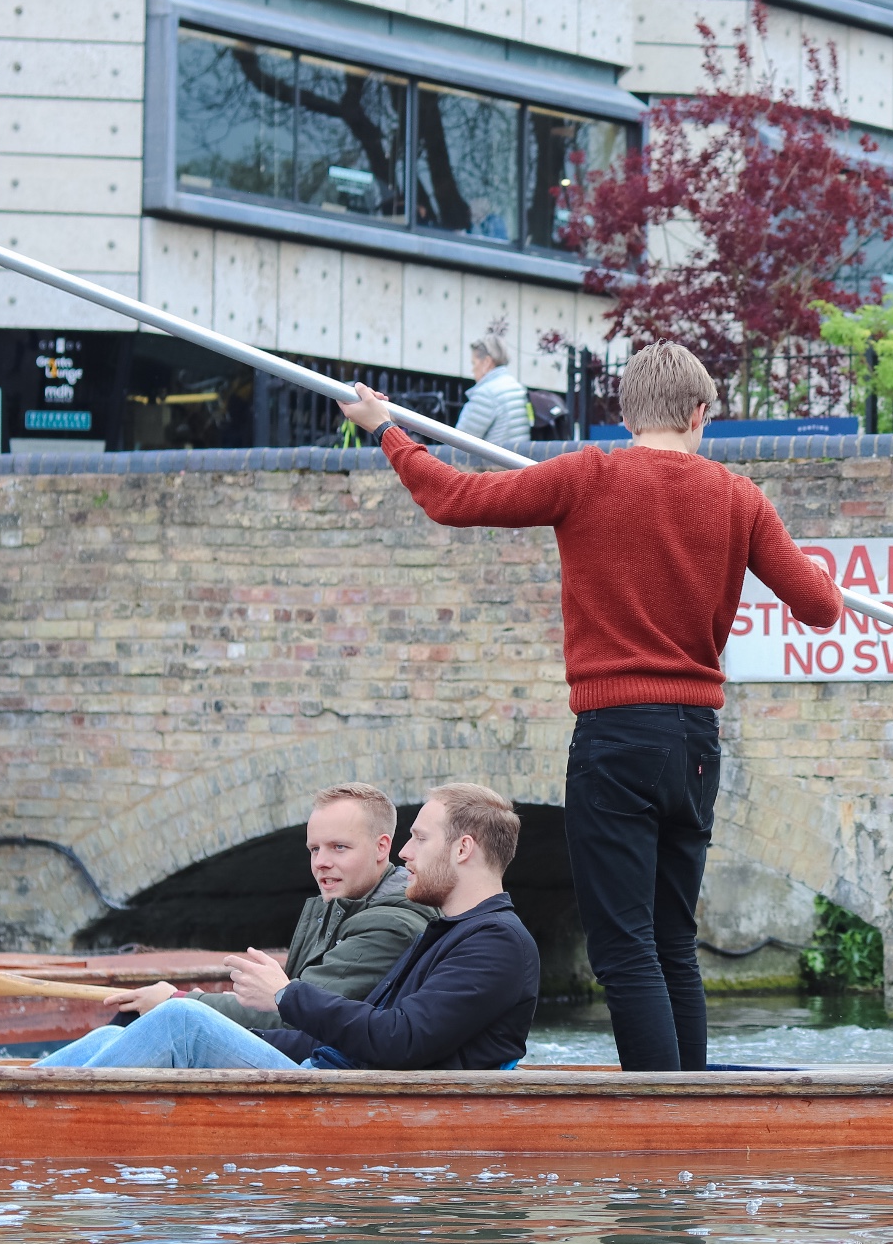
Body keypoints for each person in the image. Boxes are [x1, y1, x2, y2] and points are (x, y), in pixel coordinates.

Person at [336, 341, 842, 1072]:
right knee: (673, 939)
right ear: (699, 413)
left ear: (624, 414)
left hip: (616, 737)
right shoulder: (740, 496)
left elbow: (452, 498)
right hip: (695, 744)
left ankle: (663, 1126)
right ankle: (691, 1106)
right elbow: (821, 606)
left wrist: (386, 428)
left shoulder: (588, 475)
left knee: (625, 946)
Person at [35, 783, 540, 1070]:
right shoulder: (452, 930)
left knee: (180, 1022)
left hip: (361, 1108)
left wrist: (285, 995)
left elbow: (400, 1039)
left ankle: (32, 1106)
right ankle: (33, 1085)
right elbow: (354, 1033)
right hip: (342, 1081)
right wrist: (242, 1024)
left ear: (463, 849)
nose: (405, 854)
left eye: (419, 839)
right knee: (174, 1022)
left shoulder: (497, 942)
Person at [102, 782, 436, 1028]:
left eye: (338, 847)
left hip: (320, 1074)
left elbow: (295, 1014)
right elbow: (285, 1001)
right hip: (300, 1053)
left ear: (381, 848)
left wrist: (179, 1001)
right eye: (314, 849)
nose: (320, 862)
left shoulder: (391, 924)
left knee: (163, 1022)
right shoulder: (337, 907)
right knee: (132, 1018)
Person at [456, 332, 532, 445]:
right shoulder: (517, 387)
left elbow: (458, 443)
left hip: (492, 462)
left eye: (474, 363)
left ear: (486, 362)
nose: (472, 370)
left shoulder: (486, 394)